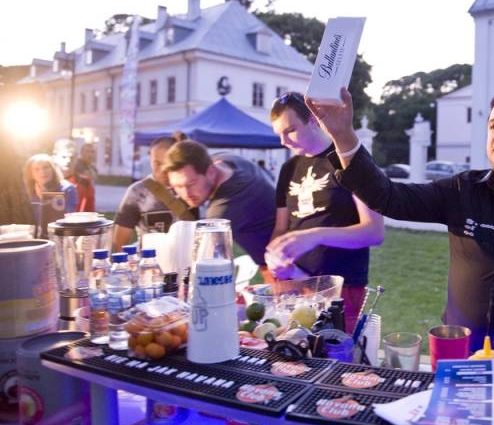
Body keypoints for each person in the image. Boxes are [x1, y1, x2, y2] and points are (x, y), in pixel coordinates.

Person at [306, 87, 494, 356]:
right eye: (492, 126)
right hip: (461, 356)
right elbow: (388, 196)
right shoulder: (462, 191)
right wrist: (343, 135)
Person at [267, 92, 384, 332]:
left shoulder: (347, 160)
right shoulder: (289, 168)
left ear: (313, 119)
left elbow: (374, 232)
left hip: (341, 288)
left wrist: (315, 235)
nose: (283, 141)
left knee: (333, 351)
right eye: (279, 134)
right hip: (296, 281)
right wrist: (276, 255)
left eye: (290, 130)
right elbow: (281, 227)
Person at [162, 134, 277, 272]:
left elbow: (206, 268)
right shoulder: (227, 158)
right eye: (177, 186)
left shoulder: (220, 214)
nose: (186, 194)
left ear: (210, 172)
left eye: (191, 183)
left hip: (280, 269)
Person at [112, 136, 197, 252]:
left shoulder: (191, 187)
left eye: (167, 163)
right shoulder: (137, 192)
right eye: (157, 163)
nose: (162, 169)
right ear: (150, 158)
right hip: (149, 261)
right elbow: (120, 241)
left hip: (185, 260)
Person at [23, 153, 77, 234]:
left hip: (60, 235)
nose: (42, 172)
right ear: (31, 174)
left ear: (53, 169)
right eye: (36, 169)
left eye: (46, 167)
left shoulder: (68, 189)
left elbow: (67, 220)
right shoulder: (28, 192)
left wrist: (46, 199)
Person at [53, 138, 95, 212]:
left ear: (76, 159)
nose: (68, 161)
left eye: (72, 157)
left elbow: (90, 210)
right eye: (64, 157)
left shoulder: (85, 182)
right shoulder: (47, 181)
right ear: (54, 158)